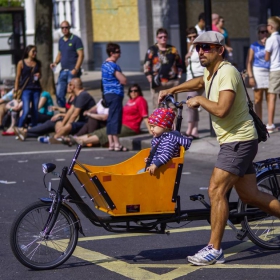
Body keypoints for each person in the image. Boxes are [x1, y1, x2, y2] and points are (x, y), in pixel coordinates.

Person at [159, 31, 280, 266]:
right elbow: (199, 82)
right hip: (234, 140)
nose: (201, 52)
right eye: (198, 48)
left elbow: (222, 109)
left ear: (220, 50)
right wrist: (173, 90)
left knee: (216, 190)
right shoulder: (211, 71)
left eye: (206, 47)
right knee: (250, 195)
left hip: (239, 141)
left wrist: (200, 101)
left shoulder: (227, 72)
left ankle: (214, 249)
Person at [69, 84, 151, 148]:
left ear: (139, 91)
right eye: (131, 91)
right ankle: (76, 139)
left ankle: (80, 141)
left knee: (104, 134)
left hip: (130, 127)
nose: (133, 93)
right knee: (101, 131)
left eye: (135, 91)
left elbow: (145, 116)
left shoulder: (141, 100)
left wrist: (150, 131)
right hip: (121, 124)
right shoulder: (130, 101)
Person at [144, 28, 183, 109]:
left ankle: (173, 122)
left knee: (172, 106)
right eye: (160, 37)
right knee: (158, 107)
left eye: (165, 36)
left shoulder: (173, 49)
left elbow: (179, 63)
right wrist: (148, 76)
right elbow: (147, 64)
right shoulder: (152, 50)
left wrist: (179, 77)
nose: (163, 38)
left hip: (172, 83)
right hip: (157, 83)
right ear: (157, 38)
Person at [145, 108, 192, 174]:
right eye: (150, 126)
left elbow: (166, 154)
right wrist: (151, 159)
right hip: (157, 168)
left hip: (163, 169)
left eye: (153, 126)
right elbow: (157, 152)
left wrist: (155, 164)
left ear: (164, 127)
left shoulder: (168, 139)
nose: (151, 129)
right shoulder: (158, 136)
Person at [50, 20, 84, 108]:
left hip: (72, 71)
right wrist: (55, 63)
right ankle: (65, 111)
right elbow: (60, 54)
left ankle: (74, 112)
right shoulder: (61, 40)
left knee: (72, 94)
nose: (64, 29)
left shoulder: (76, 39)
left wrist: (76, 69)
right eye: (62, 28)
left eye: (66, 27)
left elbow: (81, 55)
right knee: (59, 94)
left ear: (69, 28)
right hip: (63, 71)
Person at [102, 42, 127, 151]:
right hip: (115, 94)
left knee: (110, 118)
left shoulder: (104, 65)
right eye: (117, 52)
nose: (120, 54)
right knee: (116, 118)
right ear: (111, 53)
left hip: (107, 94)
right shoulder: (113, 65)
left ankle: (111, 143)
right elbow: (123, 80)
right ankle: (117, 143)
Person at [14, 45, 41, 131]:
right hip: (26, 89)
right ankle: (19, 127)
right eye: (33, 51)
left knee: (35, 110)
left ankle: (34, 128)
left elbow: (39, 74)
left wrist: (39, 75)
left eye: (35, 51)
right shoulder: (21, 63)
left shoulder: (37, 63)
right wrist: (16, 89)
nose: (35, 53)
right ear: (28, 52)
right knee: (26, 110)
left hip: (36, 88)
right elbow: (18, 77)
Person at [247, 24, 270, 120]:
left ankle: (270, 122)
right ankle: (259, 121)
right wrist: (250, 76)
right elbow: (249, 61)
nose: (264, 34)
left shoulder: (272, 44)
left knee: (270, 98)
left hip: (270, 71)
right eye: (262, 32)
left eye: (266, 31)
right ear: (258, 34)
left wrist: (268, 45)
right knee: (258, 98)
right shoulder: (254, 46)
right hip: (258, 72)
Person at [185, 27, 204, 139]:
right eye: (190, 37)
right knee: (192, 103)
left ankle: (189, 129)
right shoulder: (192, 47)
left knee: (191, 102)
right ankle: (194, 130)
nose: (192, 38)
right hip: (191, 77)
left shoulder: (201, 47)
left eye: (194, 36)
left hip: (199, 77)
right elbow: (189, 64)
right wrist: (187, 57)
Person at [265, 16, 280, 133]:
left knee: (272, 96)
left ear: (271, 27)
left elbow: (266, 58)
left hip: (275, 69)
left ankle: (270, 124)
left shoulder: (270, 39)